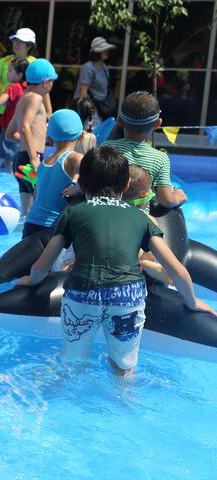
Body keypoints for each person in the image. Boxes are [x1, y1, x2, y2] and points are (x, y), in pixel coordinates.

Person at [17, 146, 215, 376]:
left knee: (72, 362)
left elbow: (43, 264)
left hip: (83, 293)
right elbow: (177, 269)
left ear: (82, 185)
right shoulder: (142, 217)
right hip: (127, 296)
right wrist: (192, 301)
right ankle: (126, 397)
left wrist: (30, 281)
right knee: (124, 369)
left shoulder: (74, 213)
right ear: (126, 186)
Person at [102, 91, 187, 208]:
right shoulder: (159, 158)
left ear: (120, 121)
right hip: (138, 219)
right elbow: (167, 200)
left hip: (108, 210)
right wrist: (178, 196)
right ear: (158, 124)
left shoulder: (105, 148)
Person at [0, 28, 52, 141]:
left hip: (26, 112)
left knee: (20, 145)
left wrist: (49, 111)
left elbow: (43, 89)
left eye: (21, 41)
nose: (16, 44)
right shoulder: (3, 62)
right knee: (2, 145)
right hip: (1, 113)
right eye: (15, 40)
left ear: (29, 46)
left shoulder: (36, 64)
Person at [5, 58, 57, 218]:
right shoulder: (36, 98)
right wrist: (34, 157)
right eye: (52, 81)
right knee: (36, 213)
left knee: (26, 214)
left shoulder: (25, 98)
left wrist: (26, 144)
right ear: (45, 82)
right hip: (30, 160)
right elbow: (25, 126)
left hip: (21, 159)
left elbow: (10, 132)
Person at [23, 109, 84, 238]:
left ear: (49, 138)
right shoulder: (74, 158)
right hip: (52, 228)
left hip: (30, 224)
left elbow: (36, 196)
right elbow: (94, 177)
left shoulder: (44, 163)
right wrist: (79, 188)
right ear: (81, 136)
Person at [0, 57, 29, 176]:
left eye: (10, 71)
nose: (7, 73)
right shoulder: (26, 88)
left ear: (19, 75)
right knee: (9, 162)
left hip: (10, 132)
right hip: (20, 131)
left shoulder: (13, 87)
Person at [74, 37, 117, 123]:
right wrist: (90, 112)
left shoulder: (104, 68)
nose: (107, 52)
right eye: (104, 50)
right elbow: (83, 92)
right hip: (90, 106)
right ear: (97, 52)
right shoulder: (88, 68)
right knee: (92, 128)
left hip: (101, 105)